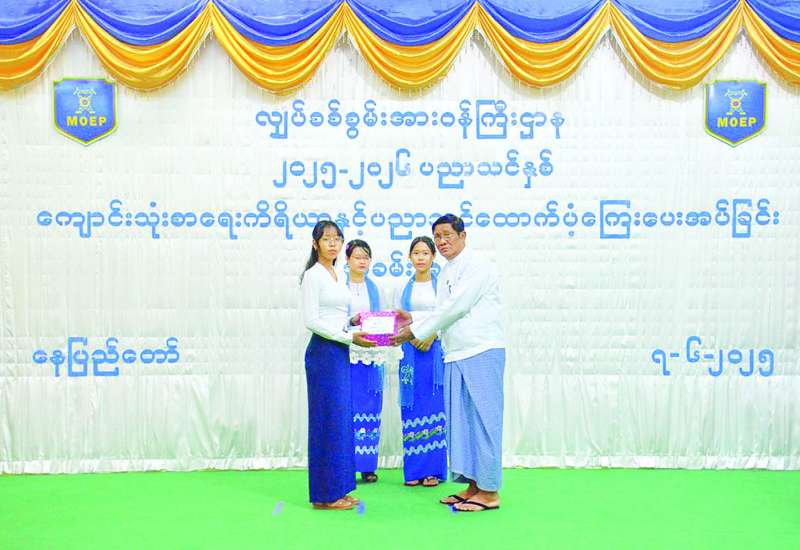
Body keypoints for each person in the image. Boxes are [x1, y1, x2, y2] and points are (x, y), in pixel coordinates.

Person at [392, 214, 505, 512]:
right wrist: (413, 320)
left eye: (447, 235)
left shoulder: (478, 265)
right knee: (462, 423)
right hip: (454, 353)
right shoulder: (445, 272)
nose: (441, 242)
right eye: (437, 237)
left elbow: (458, 306)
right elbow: (442, 310)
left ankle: (490, 492)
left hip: (481, 350)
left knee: (484, 421)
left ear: (462, 235)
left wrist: (413, 331)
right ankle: (473, 485)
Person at [300, 221, 375, 510]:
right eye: (326, 239)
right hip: (323, 354)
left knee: (341, 420)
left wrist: (352, 322)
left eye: (337, 238)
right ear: (315, 244)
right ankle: (324, 495)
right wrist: (349, 336)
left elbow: (335, 316)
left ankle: (340, 489)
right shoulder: (312, 275)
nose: (333, 243)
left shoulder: (337, 274)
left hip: (339, 351)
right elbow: (312, 321)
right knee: (326, 421)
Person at [396, 236, 447, 487]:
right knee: (412, 407)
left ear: (433, 257)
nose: (420, 257)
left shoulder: (443, 286)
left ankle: (433, 470)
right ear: (409, 257)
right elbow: (399, 319)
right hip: (410, 353)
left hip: (434, 352)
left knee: (434, 407)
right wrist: (415, 337)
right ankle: (414, 471)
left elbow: (448, 315)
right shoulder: (403, 288)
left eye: (425, 253)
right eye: (416, 253)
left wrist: (430, 335)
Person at [344, 239, 385, 483]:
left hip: (371, 354)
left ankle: (368, 465)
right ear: (347, 260)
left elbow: (379, 320)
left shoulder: (373, 288)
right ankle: (346, 463)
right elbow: (334, 320)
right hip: (347, 352)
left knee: (371, 405)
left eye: (365, 257)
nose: (362, 261)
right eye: (357, 257)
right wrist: (352, 321)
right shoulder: (339, 287)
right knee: (347, 407)